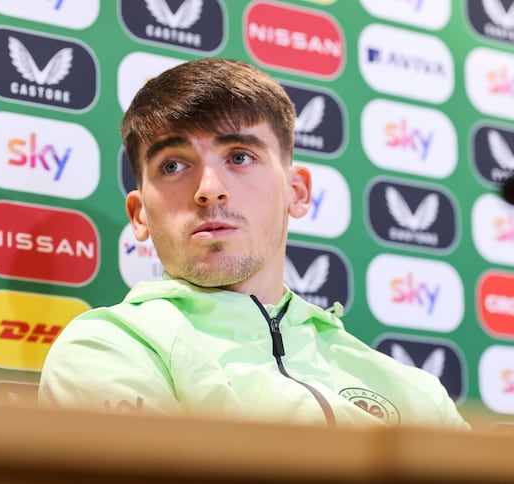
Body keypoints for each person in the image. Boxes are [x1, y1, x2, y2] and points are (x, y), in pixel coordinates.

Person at [39, 57, 469, 429]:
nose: (209, 189)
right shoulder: (106, 348)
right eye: (173, 165)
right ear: (139, 215)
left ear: (297, 192)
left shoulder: (416, 392)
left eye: (240, 156)